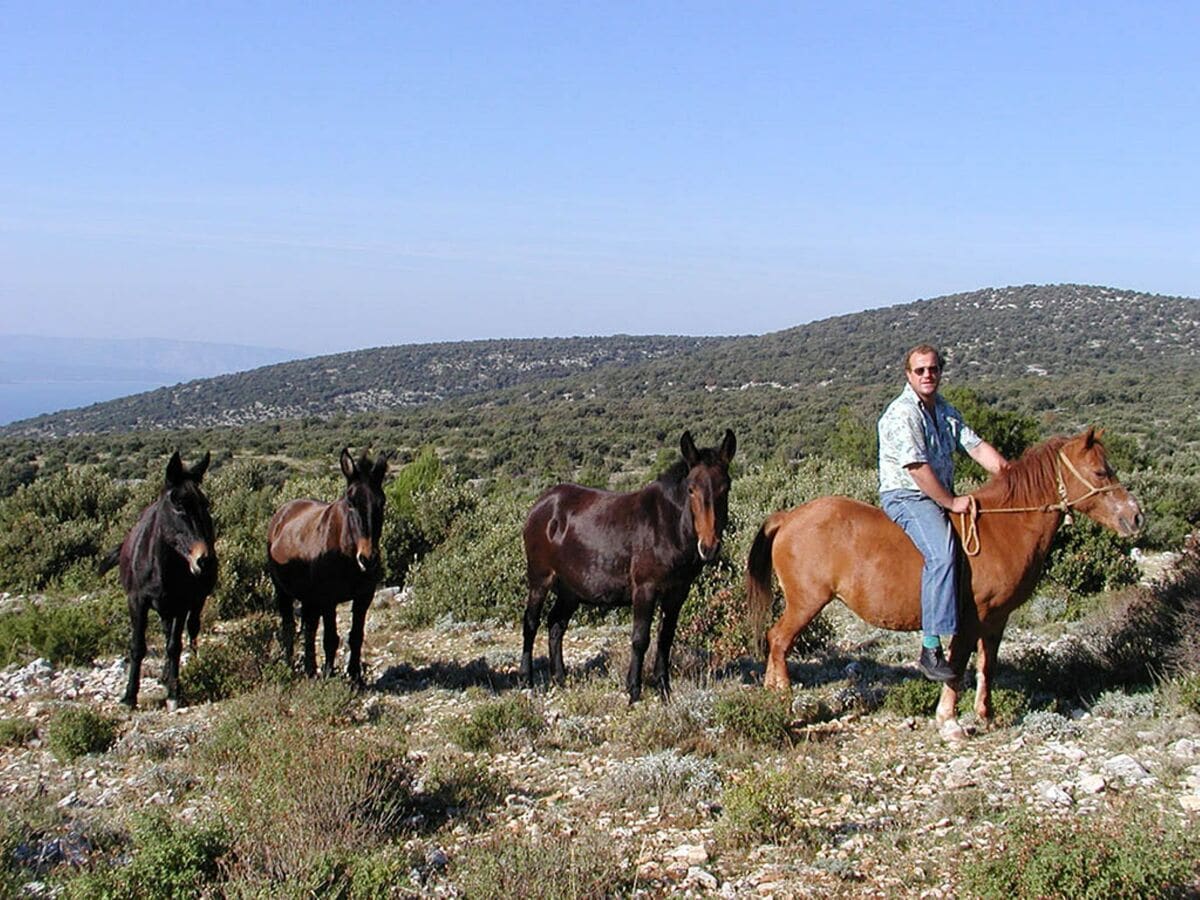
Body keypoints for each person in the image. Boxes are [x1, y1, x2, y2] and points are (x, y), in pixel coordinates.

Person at [878, 344, 1009, 682]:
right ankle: (931, 646)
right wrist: (951, 503)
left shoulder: (945, 410)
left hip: (935, 494)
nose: (928, 375)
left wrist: (1009, 476)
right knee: (942, 553)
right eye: (920, 370)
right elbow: (918, 469)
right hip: (908, 496)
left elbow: (975, 446)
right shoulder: (903, 413)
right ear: (908, 375)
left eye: (933, 369)